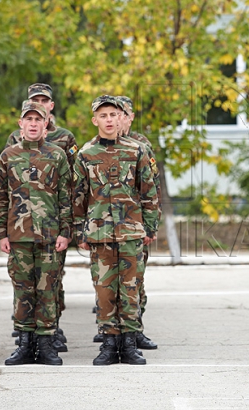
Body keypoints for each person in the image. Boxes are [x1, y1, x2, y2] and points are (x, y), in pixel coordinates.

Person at [73, 95, 159, 366]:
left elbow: (148, 192)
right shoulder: (85, 154)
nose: (108, 120)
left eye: (113, 115)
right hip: (99, 234)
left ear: (120, 117)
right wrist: (80, 232)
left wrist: (150, 227)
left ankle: (130, 344)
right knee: (104, 291)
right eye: (103, 116)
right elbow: (78, 197)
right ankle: (109, 344)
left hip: (132, 232)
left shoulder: (136, 150)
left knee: (130, 289)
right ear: (94, 120)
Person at [0, 101, 72, 366]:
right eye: (29, 119)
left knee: (48, 290)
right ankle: (25, 344)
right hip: (19, 236)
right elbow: (0, 197)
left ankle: (47, 344)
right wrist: (2, 232)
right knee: (22, 290)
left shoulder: (57, 155)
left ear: (46, 124)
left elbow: (66, 197)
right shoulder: (8, 156)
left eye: (39, 119)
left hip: (50, 236)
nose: (34, 124)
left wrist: (66, 232)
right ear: (21, 124)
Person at [116, 95, 160, 350]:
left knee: (136, 280)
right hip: (110, 226)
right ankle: (113, 330)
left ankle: (136, 328)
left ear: (131, 117)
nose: (121, 118)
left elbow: (151, 186)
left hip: (136, 225)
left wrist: (151, 223)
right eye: (116, 113)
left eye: (125, 113)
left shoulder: (141, 144)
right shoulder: (99, 146)